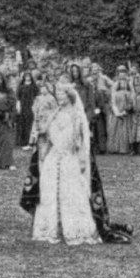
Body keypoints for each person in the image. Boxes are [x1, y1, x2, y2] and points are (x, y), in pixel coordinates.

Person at [27, 82, 101, 245]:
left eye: (62, 95)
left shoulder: (76, 115)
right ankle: (51, 228)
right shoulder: (54, 113)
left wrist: (80, 156)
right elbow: (45, 133)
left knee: (70, 192)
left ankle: (75, 228)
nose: (59, 98)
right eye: (58, 95)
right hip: (54, 157)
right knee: (50, 192)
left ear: (69, 97)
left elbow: (81, 139)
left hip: (69, 156)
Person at [107, 77, 133, 154]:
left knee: (125, 132)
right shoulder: (115, 94)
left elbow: (131, 103)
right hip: (116, 115)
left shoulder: (130, 93)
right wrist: (117, 113)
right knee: (115, 132)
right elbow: (113, 103)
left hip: (126, 115)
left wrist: (126, 111)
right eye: (121, 83)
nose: (123, 84)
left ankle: (124, 149)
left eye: (125, 83)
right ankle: (114, 149)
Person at [16, 72, 39, 149]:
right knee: (23, 124)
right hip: (23, 106)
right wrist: (18, 106)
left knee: (30, 124)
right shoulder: (21, 86)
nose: (27, 77)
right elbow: (18, 97)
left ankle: (31, 142)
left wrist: (35, 105)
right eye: (26, 76)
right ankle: (23, 142)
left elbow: (36, 96)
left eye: (29, 76)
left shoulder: (34, 86)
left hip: (31, 106)